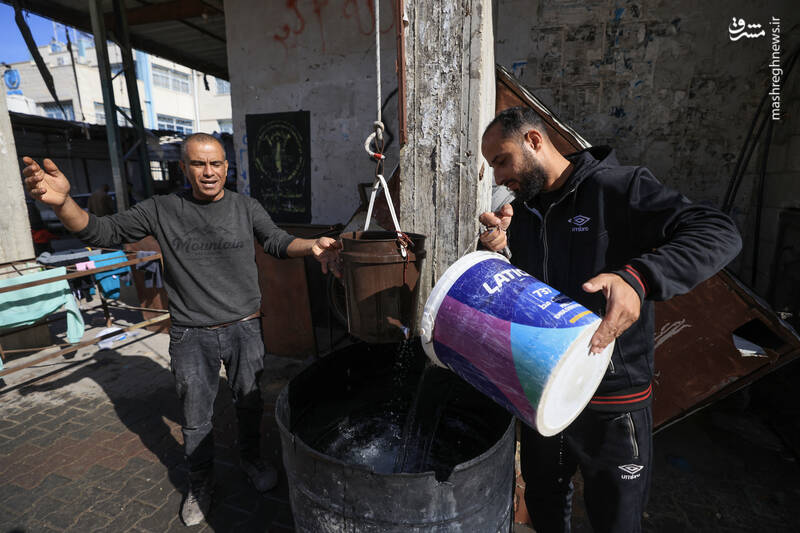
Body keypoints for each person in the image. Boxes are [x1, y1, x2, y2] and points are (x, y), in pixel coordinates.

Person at [23, 133, 342, 527]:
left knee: (248, 401)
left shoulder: (245, 207)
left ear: (226, 167)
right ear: (184, 168)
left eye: (216, 163)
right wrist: (64, 204)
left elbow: (277, 241)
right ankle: (200, 481)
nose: (208, 172)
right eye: (198, 164)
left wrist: (311, 246)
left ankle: (252, 459)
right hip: (192, 334)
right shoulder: (161, 209)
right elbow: (100, 232)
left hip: (244, 327)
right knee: (195, 416)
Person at [478, 106, 742, 533]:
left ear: (533, 140)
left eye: (502, 160)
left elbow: (718, 231)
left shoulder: (618, 187)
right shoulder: (523, 214)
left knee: (615, 520)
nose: (498, 176)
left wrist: (638, 279)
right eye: (493, 166)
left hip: (612, 403)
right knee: (544, 506)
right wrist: (499, 254)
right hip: (544, 393)